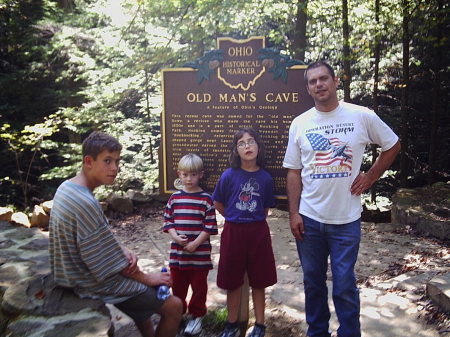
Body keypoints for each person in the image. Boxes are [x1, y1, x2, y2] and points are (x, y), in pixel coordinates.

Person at [283, 60, 401, 337]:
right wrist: (293, 213)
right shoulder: (300, 124)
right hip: (309, 219)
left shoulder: (361, 116)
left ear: (336, 82)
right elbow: (293, 172)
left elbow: (393, 144)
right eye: (312, 81)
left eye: (323, 78)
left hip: (346, 220)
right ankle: (317, 332)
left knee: (345, 284)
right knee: (313, 283)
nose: (319, 84)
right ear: (308, 88)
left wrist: (371, 176)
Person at [49, 131, 183, 337]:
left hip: (74, 272)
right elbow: (105, 263)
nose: (114, 168)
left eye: (117, 161)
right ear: (88, 161)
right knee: (174, 307)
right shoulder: (86, 203)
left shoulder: (67, 187)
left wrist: (123, 249)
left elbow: (95, 240)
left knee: (139, 286)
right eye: (107, 161)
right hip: (88, 282)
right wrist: (148, 278)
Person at [213, 127, 277, 337]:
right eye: (242, 143)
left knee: (259, 281)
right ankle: (231, 324)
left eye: (251, 142)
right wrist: (234, 216)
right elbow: (219, 202)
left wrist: (251, 217)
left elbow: (265, 208)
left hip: (258, 232)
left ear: (258, 146)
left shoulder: (266, 178)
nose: (247, 146)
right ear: (236, 149)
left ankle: (259, 324)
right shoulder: (229, 175)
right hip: (234, 232)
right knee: (233, 281)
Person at [163, 153, 218, 336]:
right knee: (178, 286)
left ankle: (197, 316)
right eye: (185, 174)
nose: (189, 179)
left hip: (199, 255)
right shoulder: (174, 199)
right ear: (179, 174)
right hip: (178, 255)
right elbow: (168, 222)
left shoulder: (206, 199)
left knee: (199, 287)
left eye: (193, 175)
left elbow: (209, 226)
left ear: (201, 175)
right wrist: (176, 237)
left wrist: (195, 243)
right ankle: (178, 315)